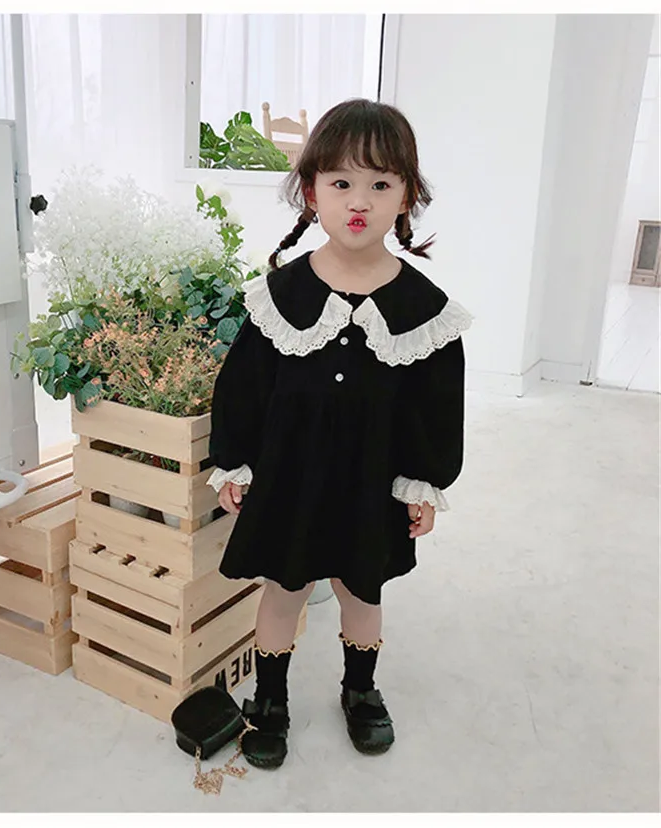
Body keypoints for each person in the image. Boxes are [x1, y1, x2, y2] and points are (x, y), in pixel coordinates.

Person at [206, 98, 473, 769]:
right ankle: (269, 699)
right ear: (311, 191)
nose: (359, 201)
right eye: (342, 182)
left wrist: (423, 482)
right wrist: (235, 463)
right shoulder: (280, 296)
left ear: (407, 195)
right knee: (283, 591)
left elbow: (436, 408)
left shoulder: (424, 311)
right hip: (290, 476)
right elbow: (243, 388)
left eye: (380, 184)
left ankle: (360, 690)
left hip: (370, 483)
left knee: (362, 592)